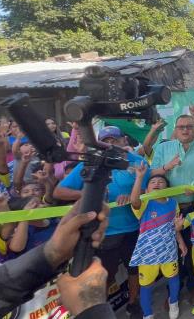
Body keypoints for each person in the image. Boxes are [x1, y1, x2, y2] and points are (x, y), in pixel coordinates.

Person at [54, 126, 148, 318]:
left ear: (124, 140)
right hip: (105, 233)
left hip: (133, 228)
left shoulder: (138, 162)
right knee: (103, 278)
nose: (111, 144)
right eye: (106, 140)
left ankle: (133, 304)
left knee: (134, 270)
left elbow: (150, 190)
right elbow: (59, 191)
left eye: (115, 140)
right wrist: (90, 194)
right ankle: (99, 312)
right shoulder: (92, 163)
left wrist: (132, 194)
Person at [0, 198, 110, 319]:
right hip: (40, 301)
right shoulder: (25, 231)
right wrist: (92, 309)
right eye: (34, 206)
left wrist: (54, 252)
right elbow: (16, 247)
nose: (40, 207)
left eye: (39, 203)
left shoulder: (54, 222)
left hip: (61, 289)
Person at [150, 114, 194, 303]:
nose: (185, 130)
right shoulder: (163, 148)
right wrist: (166, 166)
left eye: (189, 126)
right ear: (176, 129)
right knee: (173, 252)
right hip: (168, 209)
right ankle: (173, 293)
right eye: (181, 127)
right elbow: (152, 173)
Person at [128, 165, 187, 319]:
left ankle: (173, 302)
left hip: (169, 249)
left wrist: (181, 241)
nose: (157, 183)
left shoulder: (173, 203)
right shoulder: (144, 203)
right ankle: (148, 314)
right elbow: (134, 200)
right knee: (146, 285)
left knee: (173, 277)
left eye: (161, 181)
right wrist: (139, 177)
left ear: (167, 187)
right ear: (146, 189)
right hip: (147, 253)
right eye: (153, 182)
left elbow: (176, 226)